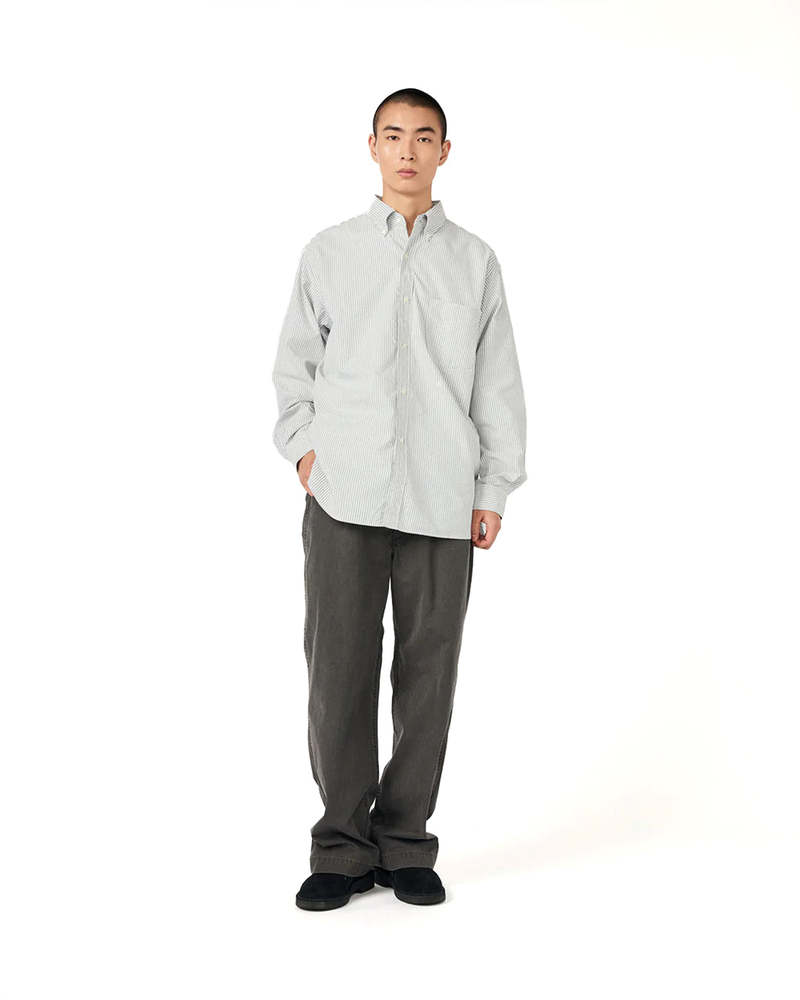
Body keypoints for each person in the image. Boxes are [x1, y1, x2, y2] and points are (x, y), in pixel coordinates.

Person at [271, 88, 527, 911]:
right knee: (337, 674)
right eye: (394, 135)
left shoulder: (475, 262)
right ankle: (341, 849)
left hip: (443, 497)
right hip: (342, 495)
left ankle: (406, 841)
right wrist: (306, 450)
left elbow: (497, 383)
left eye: (423, 137)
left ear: (444, 152)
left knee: (429, 675)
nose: (408, 150)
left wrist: (492, 486)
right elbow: (295, 365)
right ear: (373, 147)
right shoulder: (330, 252)